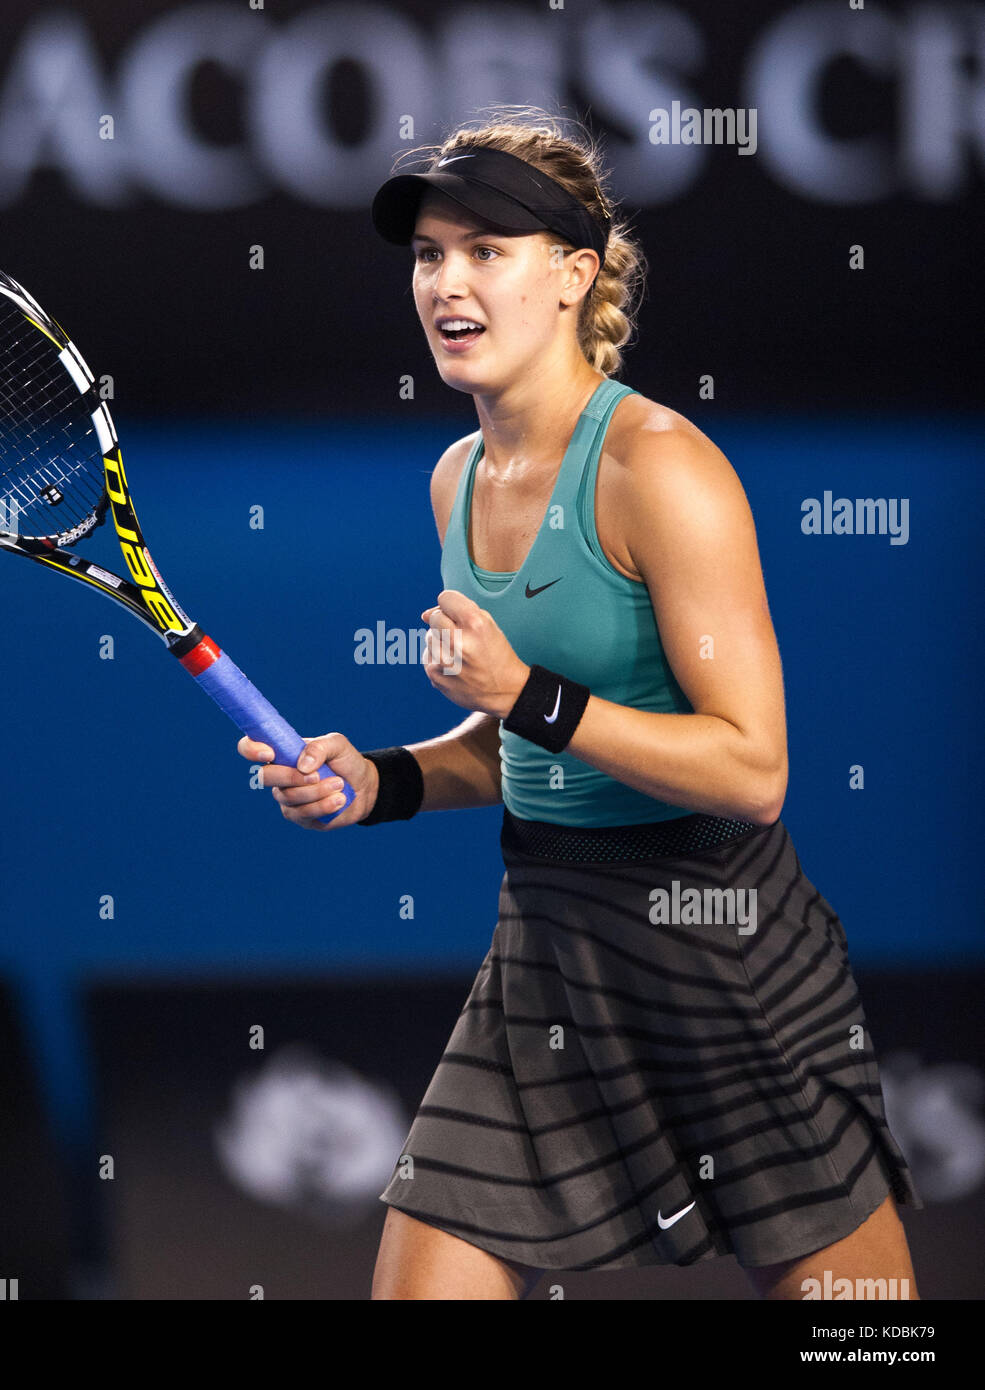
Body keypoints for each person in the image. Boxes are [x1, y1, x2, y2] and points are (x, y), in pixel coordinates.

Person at [236, 107, 921, 1301]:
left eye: (486, 250)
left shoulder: (661, 470)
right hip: (549, 948)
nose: (448, 283)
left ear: (572, 274)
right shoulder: (455, 478)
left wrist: (530, 696)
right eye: (428, 256)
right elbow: (518, 751)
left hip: (722, 951)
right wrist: (380, 781)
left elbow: (753, 770)